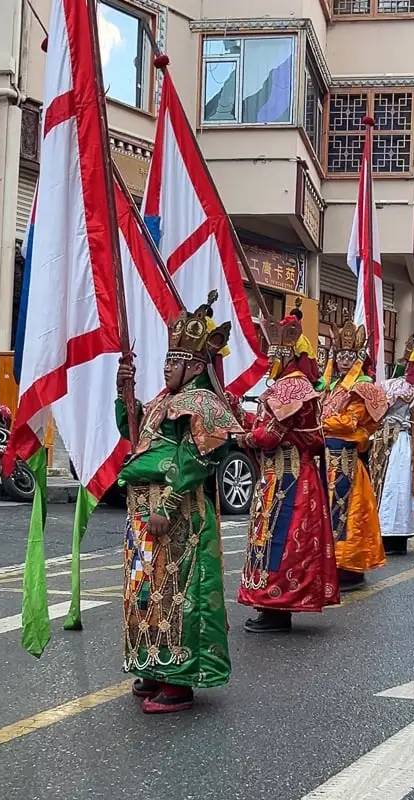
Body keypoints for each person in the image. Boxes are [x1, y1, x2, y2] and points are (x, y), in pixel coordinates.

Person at [115, 294, 243, 713]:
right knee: (145, 592)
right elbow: (134, 436)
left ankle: (181, 680)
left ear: (196, 366)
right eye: (166, 359)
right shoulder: (159, 401)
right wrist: (125, 396)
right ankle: (154, 665)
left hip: (178, 515)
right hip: (142, 512)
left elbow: (197, 458)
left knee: (178, 593)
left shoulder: (202, 403)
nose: (167, 366)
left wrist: (167, 506)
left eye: (176, 360)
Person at [236, 300, 340, 633]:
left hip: (288, 478)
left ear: (288, 355)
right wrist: (244, 420)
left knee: (280, 543)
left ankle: (277, 607)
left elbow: (269, 436)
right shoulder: (289, 386)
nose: (269, 360)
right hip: (281, 476)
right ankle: (271, 605)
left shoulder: (293, 387)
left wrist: (243, 437)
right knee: (270, 541)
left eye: (274, 354)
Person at [321, 312, 388, 591]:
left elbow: (352, 421)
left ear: (358, 357)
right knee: (328, 513)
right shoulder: (332, 386)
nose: (344, 361)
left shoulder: (362, 387)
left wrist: (320, 423)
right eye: (341, 355)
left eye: (350, 356)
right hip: (326, 461)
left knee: (349, 515)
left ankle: (349, 568)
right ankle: (330, 564)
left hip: (347, 461)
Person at [372, 330, 414, 554]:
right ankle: (401, 537)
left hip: (397, 441)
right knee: (405, 488)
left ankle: (388, 535)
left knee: (392, 486)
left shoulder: (399, 387)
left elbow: (379, 405)